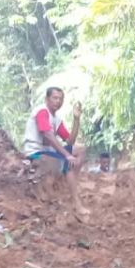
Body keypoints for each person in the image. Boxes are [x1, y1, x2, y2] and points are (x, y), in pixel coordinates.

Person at [22, 86, 89, 218]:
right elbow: (47, 134)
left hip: (49, 151)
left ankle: (71, 181)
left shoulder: (56, 118)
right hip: (36, 152)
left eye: (60, 99)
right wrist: (67, 155)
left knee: (80, 149)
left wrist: (76, 120)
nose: (58, 101)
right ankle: (77, 203)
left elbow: (69, 140)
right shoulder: (42, 111)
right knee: (67, 163)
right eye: (55, 98)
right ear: (47, 99)